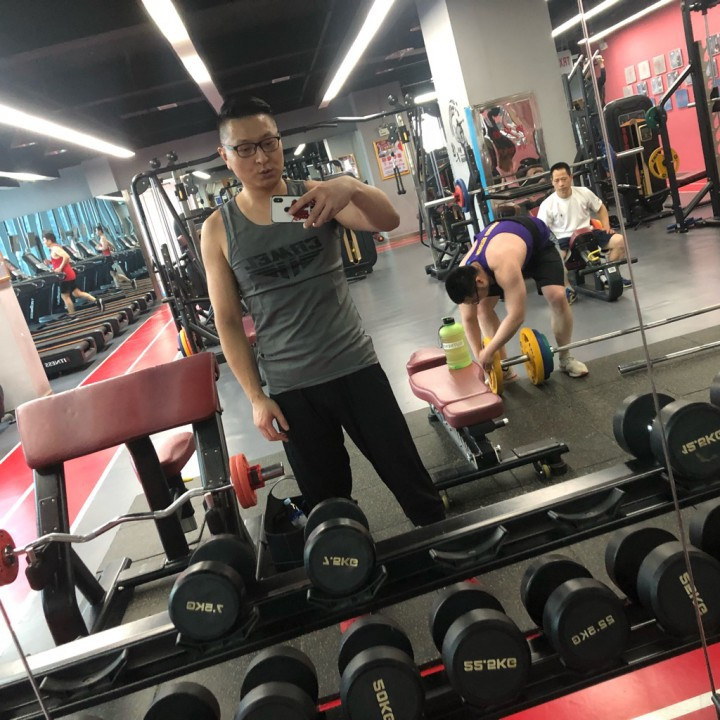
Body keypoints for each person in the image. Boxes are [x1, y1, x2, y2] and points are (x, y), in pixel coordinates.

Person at [201, 95, 445, 527]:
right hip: (291, 388)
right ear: (225, 155)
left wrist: (351, 185)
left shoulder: (318, 197)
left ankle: (449, 551)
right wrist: (256, 397)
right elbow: (227, 321)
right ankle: (351, 564)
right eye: (245, 149)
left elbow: (388, 221)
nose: (262, 158)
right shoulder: (219, 229)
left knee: (410, 477)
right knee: (328, 506)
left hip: (355, 366)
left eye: (269, 143)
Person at [444, 216, 589, 380]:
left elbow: (517, 316)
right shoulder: (464, 274)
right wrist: (481, 356)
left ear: (480, 281)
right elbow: (469, 319)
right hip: (507, 248)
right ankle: (504, 368)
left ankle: (566, 358)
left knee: (557, 296)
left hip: (539, 245)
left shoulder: (503, 264)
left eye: (474, 300)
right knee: (482, 309)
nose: (474, 303)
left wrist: (489, 350)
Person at [537, 162, 631, 289]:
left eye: (564, 179)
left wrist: (606, 226)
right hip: (564, 239)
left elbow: (600, 208)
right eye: (557, 180)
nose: (561, 184)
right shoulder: (547, 204)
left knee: (619, 240)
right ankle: (567, 289)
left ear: (570, 178)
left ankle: (612, 274)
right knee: (555, 260)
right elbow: (541, 230)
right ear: (552, 182)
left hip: (588, 233)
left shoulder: (583, 192)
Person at [42, 232, 104, 314]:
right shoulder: (55, 248)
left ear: (49, 240)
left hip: (65, 276)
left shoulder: (55, 249)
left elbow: (66, 256)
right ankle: (97, 300)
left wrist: (60, 268)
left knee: (65, 296)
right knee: (77, 293)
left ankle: (72, 315)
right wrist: (50, 262)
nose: (43, 242)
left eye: (44, 240)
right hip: (69, 274)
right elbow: (59, 259)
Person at [95, 225, 136, 289]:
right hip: (109, 257)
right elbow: (112, 245)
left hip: (108, 258)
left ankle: (118, 287)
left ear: (100, 231)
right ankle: (130, 281)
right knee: (115, 274)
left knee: (114, 274)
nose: (96, 232)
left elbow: (105, 247)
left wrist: (98, 248)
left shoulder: (102, 238)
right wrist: (109, 250)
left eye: (96, 231)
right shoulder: (103, 238)